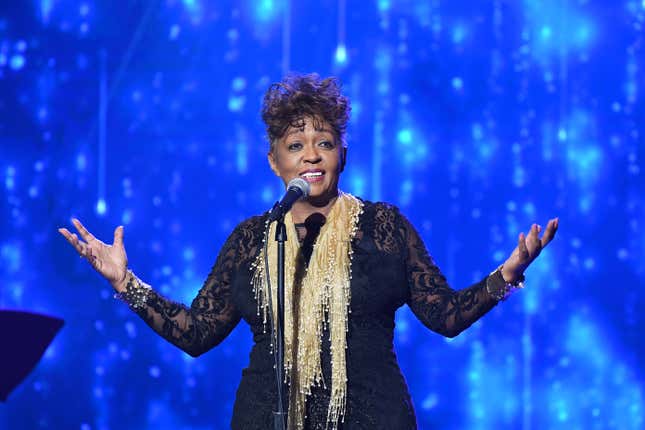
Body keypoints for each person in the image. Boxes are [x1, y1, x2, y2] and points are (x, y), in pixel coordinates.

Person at [58, 73, 559, 430]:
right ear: (274, 160)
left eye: (325, 141)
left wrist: (508, 273)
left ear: (343, 153)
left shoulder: (382, 227)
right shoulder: (254, 239)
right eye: (296, 144)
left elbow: (444, 316)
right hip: (265, 417)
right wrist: (126, 282)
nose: (312, 154)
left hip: (371, 417)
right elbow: (197, 333)